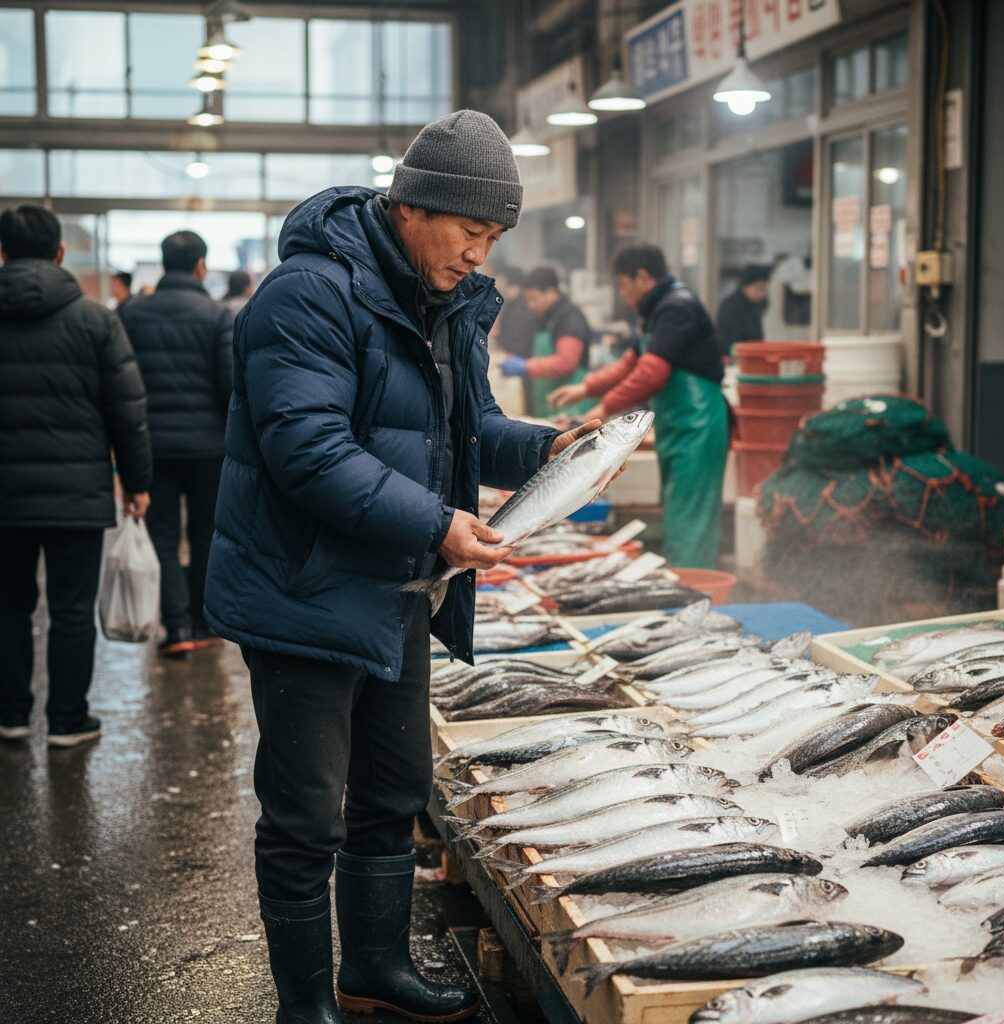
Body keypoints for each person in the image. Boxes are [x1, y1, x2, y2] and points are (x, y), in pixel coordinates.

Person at [204, 110, 600, 1024]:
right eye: (473, 231)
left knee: (390, 793)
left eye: (496, 237)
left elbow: (469, 432)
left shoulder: (448, 302)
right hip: (303, 590)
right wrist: (439, 523)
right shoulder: (307, 295)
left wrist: (550, 449)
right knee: (306, 816)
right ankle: (304, 1004)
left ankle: (373, 966)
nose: (480, 253)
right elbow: (307, 449)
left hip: (395, 587)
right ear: (415, 206)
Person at [0, 205, 151, 747]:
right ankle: (68, 719)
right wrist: (137, 483)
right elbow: (127, 411)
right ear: (59, 254)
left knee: (9, 607)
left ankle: (11, 713)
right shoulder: (95, 320)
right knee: (69, 610)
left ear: (2, 252)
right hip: (76, 494)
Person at [550, 244, 728, 568]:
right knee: (678, 507)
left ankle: (695, 586)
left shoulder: (677, 307)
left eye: (622, 285)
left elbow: (652, 372)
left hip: (699, 423)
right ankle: (682, 579)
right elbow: (631, 363)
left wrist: (604, 409)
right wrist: (585, 388)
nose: (622, 295)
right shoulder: (656, 309)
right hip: (680, 425)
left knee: (691, 513)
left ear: (642, 277)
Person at [121, 231, 233, 657]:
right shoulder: (216, 315)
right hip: (208, 449)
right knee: (206, 534)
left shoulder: (133, 314)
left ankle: (176, 625)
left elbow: (121, 385)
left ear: (163, 263)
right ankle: (202, 619)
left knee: (163, 536)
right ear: (200, 266)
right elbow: (230, 385)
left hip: (151, 447)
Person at [499, 265, 592, 417]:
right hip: (548, 406)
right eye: (527, 299)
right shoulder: (544, 317)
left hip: (570, 408)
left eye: (533, 298)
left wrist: (525, 366)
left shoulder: (569, 317)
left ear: (550, 292)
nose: (530, 305)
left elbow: (566, 362)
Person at [716, 263, 769, 355]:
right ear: (745, 286)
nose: (762, 293)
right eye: (758, 288)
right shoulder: (731, 307)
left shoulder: (755, 305)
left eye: (764, 289)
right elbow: (728, 342)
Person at [490, 265, 535, 358]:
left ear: (514, 286)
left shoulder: (522, 308)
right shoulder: (510, 305)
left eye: (504, 287)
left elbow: (517, 342)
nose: (501, 290)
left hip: (518, 360)